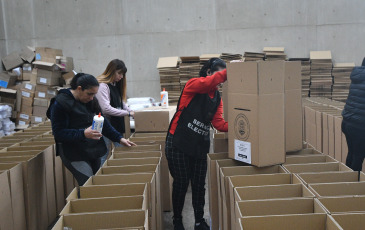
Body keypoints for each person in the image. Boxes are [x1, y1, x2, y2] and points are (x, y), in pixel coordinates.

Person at [166, 58, 228, 230]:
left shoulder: (217, 98)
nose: (221, 79)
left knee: (199, 185)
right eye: (220, 72)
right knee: (181, 182)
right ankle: (177, 220)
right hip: (178, 142)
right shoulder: (193, 85)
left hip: (199, 145)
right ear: (208, 72)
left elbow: (219, 124)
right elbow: (212, 81)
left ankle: (199, 220)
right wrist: (231, 70)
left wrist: (239, 127)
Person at [48, 73, 136, 186]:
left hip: (93, 149)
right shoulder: (60, 104)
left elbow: (102, 121)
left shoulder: (90, 100)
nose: (91, 98)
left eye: (94, 95)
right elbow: (59, 133)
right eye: (89, 94)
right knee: (88, 185)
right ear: (79, 89)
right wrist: (83, 133)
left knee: (97, 183)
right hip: (74, 152)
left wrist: (119, 138)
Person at [96, 59, 134, 164]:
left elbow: (121, 103)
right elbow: (105, 109)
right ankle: (98, 178)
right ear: (112, 71)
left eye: (123, 74)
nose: (121, 77)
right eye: (119, 73)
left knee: (122, 152)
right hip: (104, 126)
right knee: (103, 155)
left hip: (116, 125)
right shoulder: (103, 86)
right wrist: (128, 113)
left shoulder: (115, 85)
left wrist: (131, 111)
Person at [342, 58, 365, 172]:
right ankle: (353, 185)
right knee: (358, 156)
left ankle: (347, 181)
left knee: (352, 153)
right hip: (359, 126)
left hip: (347, 122)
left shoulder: (357, 76)